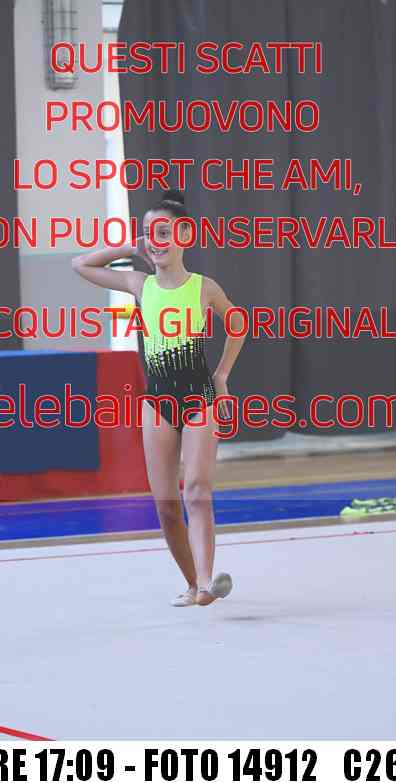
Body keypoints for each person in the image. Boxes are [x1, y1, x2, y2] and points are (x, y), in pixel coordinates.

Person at [72, 189, 245, 606]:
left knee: (197, 492)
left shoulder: (204, 287)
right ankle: (193, 583)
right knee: (167, 507)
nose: (156, 239)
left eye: (164, 232)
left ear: (184, 236)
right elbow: (80, 264)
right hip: (158, 404)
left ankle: (206, 583)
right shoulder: (140, 284)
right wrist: (134, 247)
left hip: (200, 398)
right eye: (150, 232)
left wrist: (222, 375)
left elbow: (237, 323)